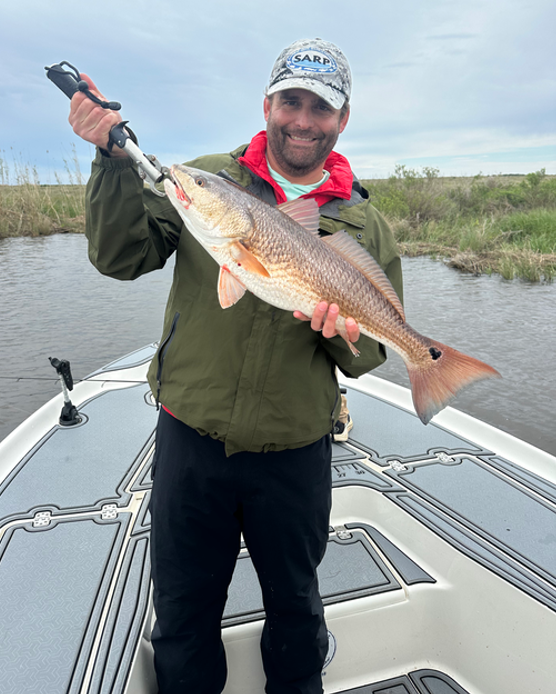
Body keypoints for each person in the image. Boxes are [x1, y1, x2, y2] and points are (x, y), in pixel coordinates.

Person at [68, 38, 403, 694]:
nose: (302, 119)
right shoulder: (206, 181)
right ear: (268, 104)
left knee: (297, 612)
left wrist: (343, 336)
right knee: (184, 612)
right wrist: (110, 163)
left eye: (320, 108)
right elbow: (119, 258)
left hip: (295, 452)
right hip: (191, 440)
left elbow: (368, 356)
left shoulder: (365, 224)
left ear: (343, 119)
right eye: (290, 102)